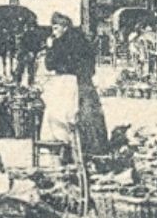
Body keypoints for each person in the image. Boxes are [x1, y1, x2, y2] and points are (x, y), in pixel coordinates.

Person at [39, 13, 109, 155]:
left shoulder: (59, 43)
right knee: (88, 117)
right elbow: (91, 67)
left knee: (61, 116)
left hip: (66, 84)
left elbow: (50, 65)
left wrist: (50, 47)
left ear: (64, 27)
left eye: (56, 28)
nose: (54, 32)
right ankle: (92, 149)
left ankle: (67, 149)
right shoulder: (83, 41)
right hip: (85, 84)